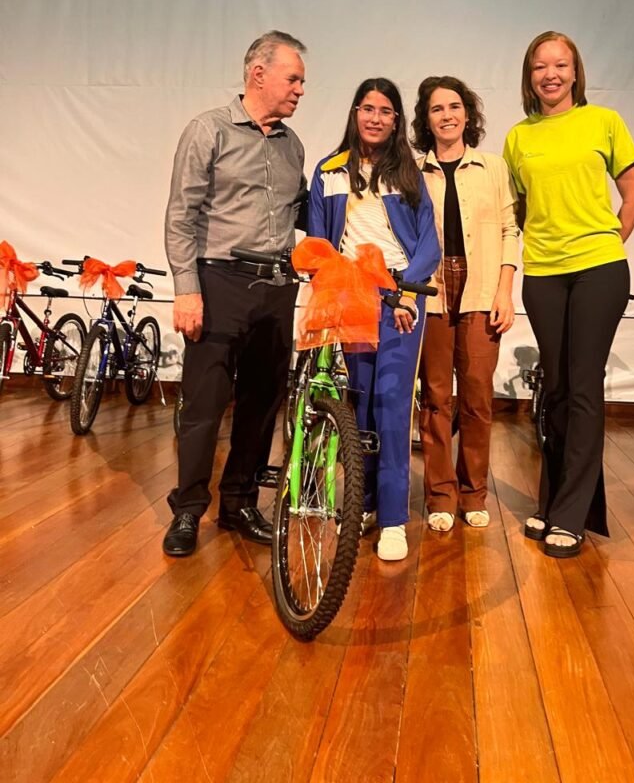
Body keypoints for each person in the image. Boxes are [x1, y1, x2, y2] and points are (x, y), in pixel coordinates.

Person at [163, 30, 307, 557]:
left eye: (302, 82)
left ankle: (239, 503)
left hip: (278, 285)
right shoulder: (209, 131)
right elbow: (181, 216)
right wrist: (186, 289)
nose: (300, 90)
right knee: (205, 403)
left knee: (262, 402)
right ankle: (187, 509)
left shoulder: (293, 145)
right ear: (258, 73)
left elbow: (302, 213)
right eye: (293, 79)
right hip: (219, 281)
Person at [503, 31, 634, 558]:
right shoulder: (518, 137)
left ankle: (568, 516)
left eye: (560, 65)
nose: (551, 74)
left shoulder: (604, 122)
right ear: (530, 76)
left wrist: (605, 245)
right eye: (540, 66)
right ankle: (558, 501)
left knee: (584, 386)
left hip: (598, 270)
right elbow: (520, 209)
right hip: (543, 273)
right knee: (557, 389)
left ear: (575, 72)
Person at [308, 78, 440, 561]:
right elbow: (319, 243)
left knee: (391, 404)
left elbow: (429, 244)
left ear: (396, 120)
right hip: (352, 296)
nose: (376, 118)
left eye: (386, 111)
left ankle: (393, 519)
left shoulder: (408, 173)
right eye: (368, 108)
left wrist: (406, 292)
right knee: (358, 405)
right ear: (355, 113)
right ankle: (361, 504)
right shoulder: (329, 171)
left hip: (400, 297)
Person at [411, 76, 519, 532]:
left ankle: (474, 493)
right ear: (426, 119)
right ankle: (440, 495)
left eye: (454, 106)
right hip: (433, 292)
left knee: (476, 397)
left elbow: (510, 229)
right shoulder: (413, 170)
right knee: (435, 397)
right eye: (437, 109)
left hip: (481, 291)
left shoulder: (492, 167)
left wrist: (504, 291)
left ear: (468, 114)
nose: (447, 115)